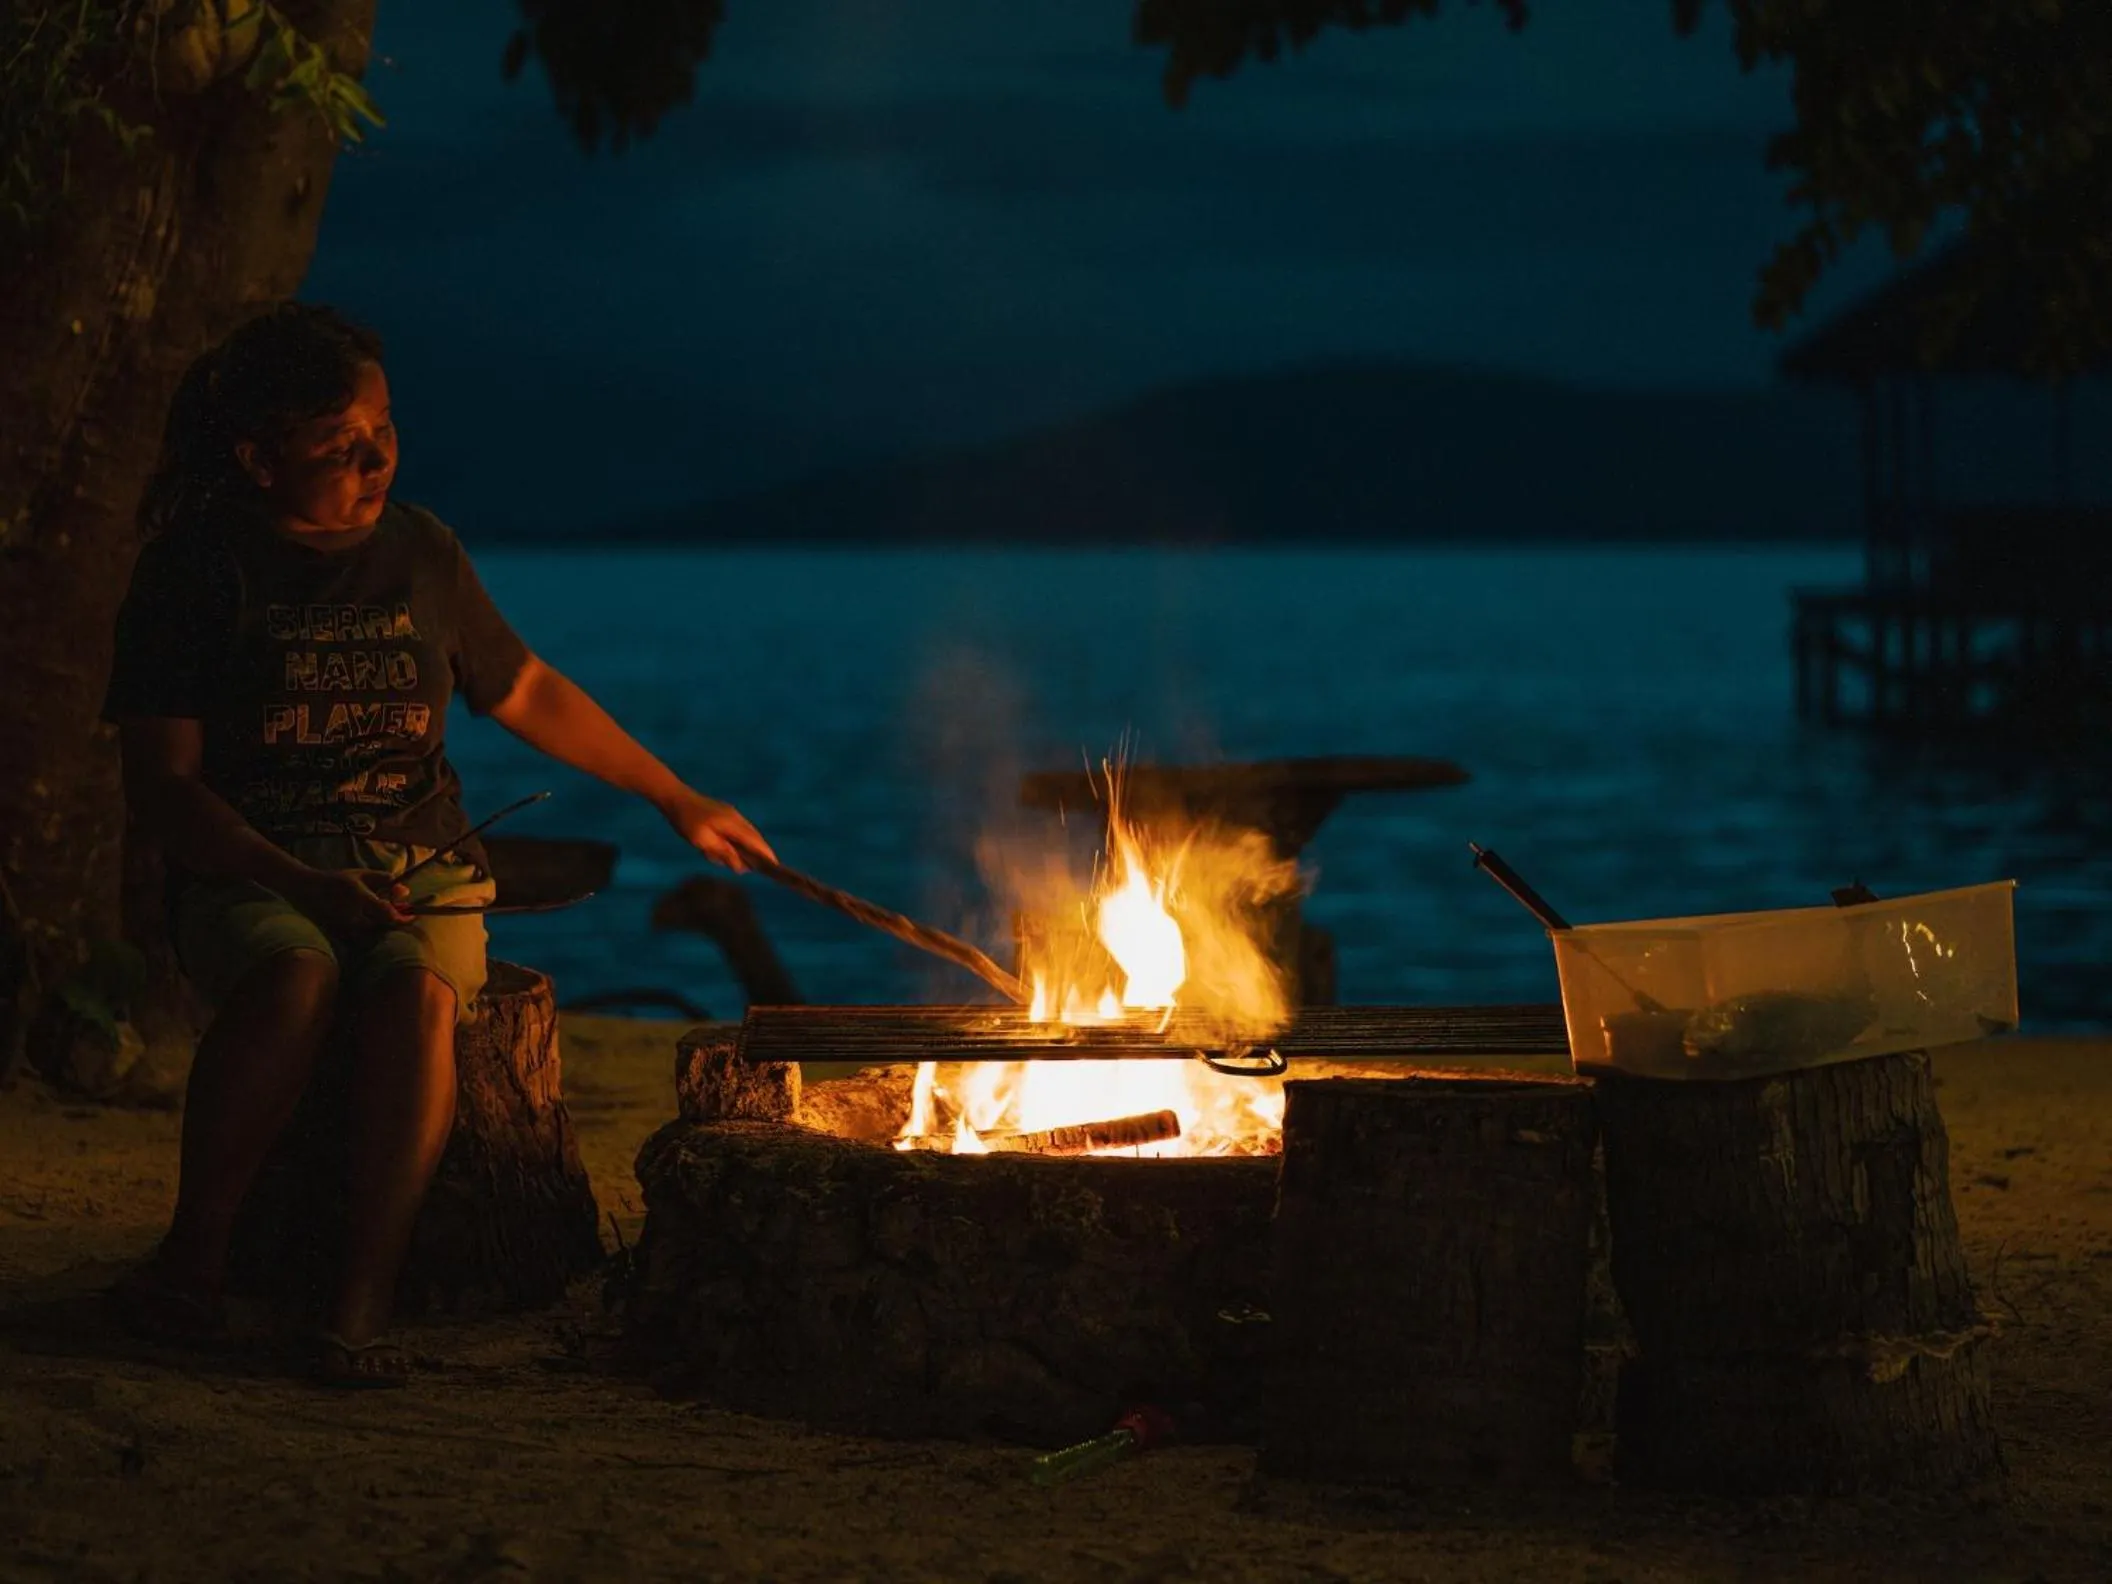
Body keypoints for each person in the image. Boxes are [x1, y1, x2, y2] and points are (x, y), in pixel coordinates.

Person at [101, 302, 774, 1387]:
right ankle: (194, 1262)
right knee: (295, 971)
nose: (373, 460)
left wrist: (673, 796)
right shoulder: (196, 571)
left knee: (417, 997)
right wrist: (299, 880)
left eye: (384, 429)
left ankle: (358, 1303)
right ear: (256, 458)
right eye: (336, 446)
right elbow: (166, 789)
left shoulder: (422, 552)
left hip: (418, 861)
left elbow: (524, 688)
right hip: (255, 866)